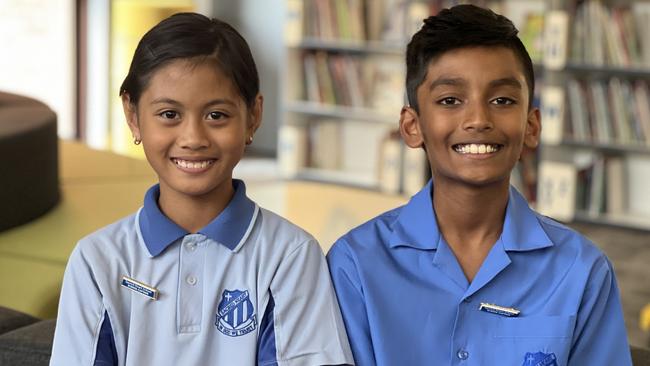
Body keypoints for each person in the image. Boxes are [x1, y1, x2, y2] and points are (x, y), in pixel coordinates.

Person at [327, 5, 632, 366]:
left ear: (532, 125)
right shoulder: (356, 264)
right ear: (412, 126)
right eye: (450, 100)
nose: (477, 120)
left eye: (502, 100)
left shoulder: (582, 269)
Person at [50, 13, 352, 366]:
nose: (193, 138)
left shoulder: (291, 256)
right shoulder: (97, 261)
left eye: (216, 116)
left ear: (253, 115)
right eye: (168, 114)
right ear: (133, 115)